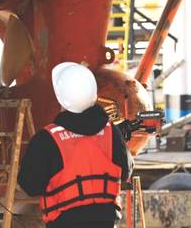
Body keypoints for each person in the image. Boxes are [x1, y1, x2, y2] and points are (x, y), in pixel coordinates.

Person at [18, 62, 133, 228]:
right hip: (105, 222)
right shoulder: (111, 132)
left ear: (60, 97)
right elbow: (126, 171)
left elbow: (30, 185)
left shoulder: (47, 139)